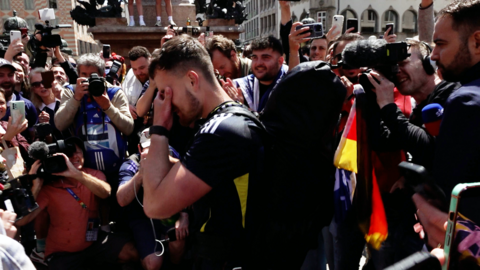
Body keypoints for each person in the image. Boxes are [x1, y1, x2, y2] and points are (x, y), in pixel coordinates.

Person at [142, 35, 264, 269]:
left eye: (166, 93)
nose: (165, 103)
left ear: (191, 80)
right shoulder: (225, 120)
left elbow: (155, 206)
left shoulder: (220, 132)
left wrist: (158, 129)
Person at [16, 137, 139, 269]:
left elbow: (105, 193)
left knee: (132, 253)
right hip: (62, 254)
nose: (74, 156)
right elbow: (21, 221)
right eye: (68, 153)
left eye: (77, 152)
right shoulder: (49, 188)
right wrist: (36, 185)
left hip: (94, 245)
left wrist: (77, 175)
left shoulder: (94, 174)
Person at [117, 128, 188, 269]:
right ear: (139, 148)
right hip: (141, 216)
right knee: (153, 263)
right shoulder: (131, 164)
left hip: (166, 212)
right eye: (149, 149)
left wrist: (184, 215)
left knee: (178, 239)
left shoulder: (172, 154)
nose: (155, 153)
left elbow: (187, 184)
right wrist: (139, 176)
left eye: (158, 148)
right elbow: (121, 199)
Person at [55, 53, 134, 175]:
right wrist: (76, 99)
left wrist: (107, 107)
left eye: (92, 75)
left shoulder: (114, 92)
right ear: (78, 75)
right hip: (84, 169)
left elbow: (128, 128)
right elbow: (60, 124)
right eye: (83, 75)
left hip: (115, 166)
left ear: (102, 75)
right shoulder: (71, 92)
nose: (87, 79)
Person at [233, 36, 288, 112]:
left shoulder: (290, 85)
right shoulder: (240, 88)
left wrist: (244, 110)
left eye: (265, 57)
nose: (258, 63)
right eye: (254, 57)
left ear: (280, 61)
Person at [0, 58, 38, 143]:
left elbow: (34, 137)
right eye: (1, 75)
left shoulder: (27, 105)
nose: (6, 80)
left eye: (10, 75)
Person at [29, 67, 67, 141]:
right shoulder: (34, 110)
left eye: (44, 82)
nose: (42, 86)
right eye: (36, 84)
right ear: (33, 89)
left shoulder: (64, 100)